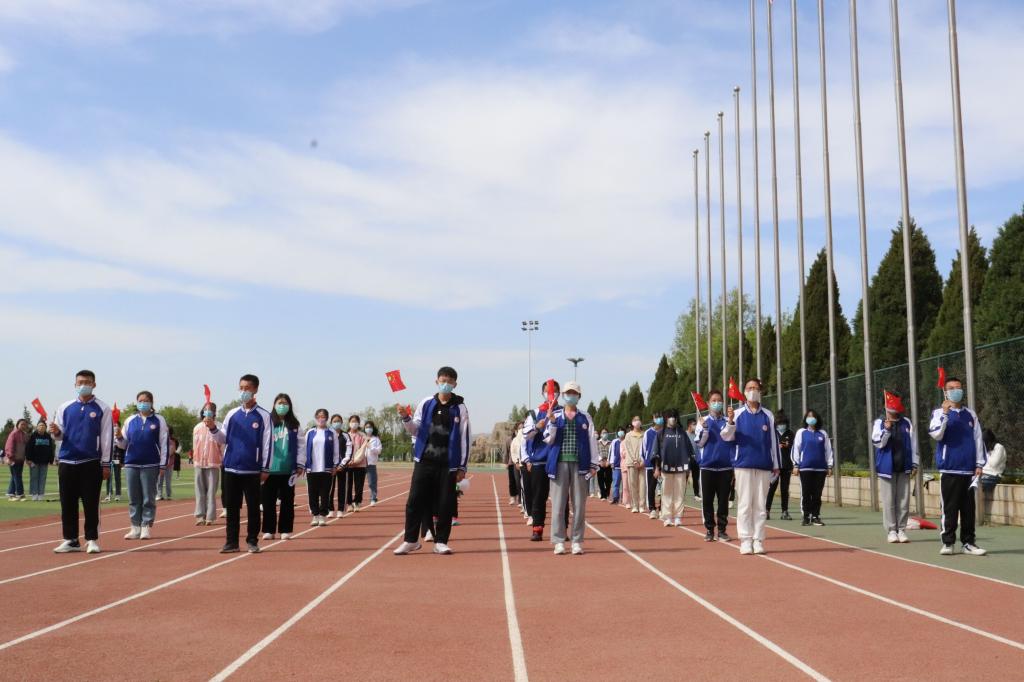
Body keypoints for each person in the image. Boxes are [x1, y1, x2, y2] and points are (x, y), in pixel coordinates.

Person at [393, 366, 470, 556]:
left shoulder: (460, 408)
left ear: (455, 384)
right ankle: (411, 540)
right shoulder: (426, 403)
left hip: (448, 464)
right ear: (437, 381)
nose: (446, 384)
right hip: (424, 461)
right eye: (443, 381)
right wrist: (405, 417)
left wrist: (462, 467)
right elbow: (415, 430)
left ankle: (441, 541)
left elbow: (464, 437)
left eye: (449, 382)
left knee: (445, 503)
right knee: (414, 500)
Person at [208, 374, 272, 554]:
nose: (243, 391)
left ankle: (252, 541)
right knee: (232, 508)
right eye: (241, 388)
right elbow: (222, 438)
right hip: (231, 468)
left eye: (247, 388)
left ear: (255, 390)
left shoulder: (264, 416)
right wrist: (212, 428)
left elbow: (268, 444)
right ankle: (231, 542)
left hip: (252, 469)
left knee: (253, 508)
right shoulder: (232, 414)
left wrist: (265, 468)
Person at [50, 369, 113, 554]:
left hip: (91, 461)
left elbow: (107, 438)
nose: (83, 385)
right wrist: (56, 432)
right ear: (75, 385)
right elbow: (59, 435)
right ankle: (71, 540)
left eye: (87, 382)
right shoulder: (65, 407)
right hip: (67, 461)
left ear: (94, 384)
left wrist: (106, 463)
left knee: (91, 503)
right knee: (67, 503)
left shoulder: (103, 408)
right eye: (80, 382)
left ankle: (91, 539)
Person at [721, 378, 780, 555]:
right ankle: (745, 540)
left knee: (760, 505)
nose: (752, 390)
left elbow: (773, 442)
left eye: (755, 388)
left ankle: (758, 540)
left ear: (760, 391)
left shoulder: (768, 415)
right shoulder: (737, 414)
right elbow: (726, 436)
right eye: (749, 388)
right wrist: (730, 421)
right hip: (743, 465)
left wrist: (776, 464)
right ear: (744, 392)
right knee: (745, 504)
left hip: (763, 465)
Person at [929, 376, 987, 556]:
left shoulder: (970, 414)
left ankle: (968, 543)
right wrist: (945, 414)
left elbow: (978, 439)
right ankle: (948, 543)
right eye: (952, 388)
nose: (956, 391)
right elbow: (936, 434)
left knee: (968, 509)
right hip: (949, 469)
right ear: (946, 392)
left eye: (959, 387)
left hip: (969, 470)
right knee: (950, 509)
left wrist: (979, 463)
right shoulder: (938, 413)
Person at [540, 381, 598, 556]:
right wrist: (552, 422)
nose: (571, 396)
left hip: (581, 464)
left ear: (579, 396)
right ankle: (558, 541)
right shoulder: (555, 415)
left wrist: (594, 463)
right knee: (558, 505)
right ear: (563, 395)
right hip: (559, 464)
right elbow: (548, 439)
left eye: (574, 393)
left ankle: (577, 541)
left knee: (579, 505)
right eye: (568, 393)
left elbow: (592, 440)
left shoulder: (585, 417)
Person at [116, 391, 169, 540]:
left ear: (151, 402)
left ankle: (146, 526)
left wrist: (163, 465)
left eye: (146, 400)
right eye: (140, 400)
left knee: (148, 498)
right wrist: (119, 437)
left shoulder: (159, 420)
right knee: (133, 497)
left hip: (151, 464)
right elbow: (123, 445)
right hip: (131, 463)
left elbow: (164, 443)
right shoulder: (130, 420)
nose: (143, 403)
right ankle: (135, 527)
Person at [871, 393, 918, 543]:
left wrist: (915, 463)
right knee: (889, 501)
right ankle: (891, 530)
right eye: (890, 406)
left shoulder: (907, 422)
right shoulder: (879, 422)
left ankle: (901, 530)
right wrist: (886, 430)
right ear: (886, 407)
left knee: (903, 501)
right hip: (886, 468)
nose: (893, 410)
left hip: (904, 466)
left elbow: (914, 444)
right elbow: (878, 443)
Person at [521, 380, 560, 541]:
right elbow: (525, 435)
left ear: (559, 394)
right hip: (539, 462)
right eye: (547, 391)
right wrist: (537, 426)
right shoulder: (534, 413)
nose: (551, 394)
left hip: (558, 460)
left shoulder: (563, 412)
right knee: (538, 497)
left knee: (561, 498)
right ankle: (537, 528)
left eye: (554, 391)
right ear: (542, 393)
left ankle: (562, 529)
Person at [298, 408, 347, 526]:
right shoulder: (310, 432)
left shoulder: (332, 433)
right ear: (316, 418)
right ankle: (315, 515)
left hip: (327, 468)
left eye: (323, 416)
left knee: (325, 494)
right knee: (312, 494)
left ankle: (322, 515)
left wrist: (335, 465)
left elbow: (336, 451)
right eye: (319, 416)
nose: (321, 419)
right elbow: (304, 449)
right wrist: (303, 464)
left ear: (327, 418)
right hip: (311, 469)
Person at [695, 391, 733, 542]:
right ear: (708, 403)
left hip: (725, 467)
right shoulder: (702, 421)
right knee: (707, 501)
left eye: (719, 400)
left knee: (723, 501)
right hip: (707, 467)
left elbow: (732, 439)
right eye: (714, 400)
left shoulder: (728, 420)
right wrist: (705, 429)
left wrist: (731, 422)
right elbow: (699, 443)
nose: (717, 403)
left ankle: (722, 530)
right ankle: (710, 530)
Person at [261, 394, 300, 541]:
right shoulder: (268, 422)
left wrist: (300, 464)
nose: (282, 406)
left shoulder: (294, 425)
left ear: (289, 406)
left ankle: (285, 529)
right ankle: (268, 530)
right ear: (274, 405)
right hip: (269, 470)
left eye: (285, 403)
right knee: (268, 502)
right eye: (279, 403)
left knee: (288, 502)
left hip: (288, 470)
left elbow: (301, 446)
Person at [651, 408, 694, 527]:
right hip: (666, 468)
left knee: (679, 492)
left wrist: (689, 469)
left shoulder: (682, 433)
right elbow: (656, 452)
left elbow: (689, 450)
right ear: (666, 418)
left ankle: (678, 517)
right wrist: (656, 468)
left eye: (674, 416)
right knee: (666, 493)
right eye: (670, 416)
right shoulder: (661, 433)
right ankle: (668, 517)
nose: (672, 418)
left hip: (681, 468)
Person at [791, 409, 833, 527]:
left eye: (813, 416)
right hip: (805, 468)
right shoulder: (801, 432)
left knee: (817, 494)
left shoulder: (823, 434)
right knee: (806, 493)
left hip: (820, 469)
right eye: (809, 416)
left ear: (817, 419)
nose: (811, 418)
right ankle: (806, 517)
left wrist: (829, 466)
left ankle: (815, 516)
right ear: (805, 419)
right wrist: (796, 464)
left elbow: (828, 450)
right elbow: (796, 449)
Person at [192, 402, 224, 525]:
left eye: (210, 410)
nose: (207, 412)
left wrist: (222, 459)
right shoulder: (197, 427)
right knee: (199, 491)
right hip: (199, 462)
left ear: (214, 412)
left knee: (211, 492)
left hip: (213, 463)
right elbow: (195, 445)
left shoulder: (219, 426)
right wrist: (195, 459)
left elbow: (222, 445)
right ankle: (200, 516)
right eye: (205, 409)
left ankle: (210, 517)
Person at [766, 410, 794, 520]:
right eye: (779, 423)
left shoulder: (790, 433)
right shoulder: (773, 433)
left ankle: (784, 511)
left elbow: (792, 446)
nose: (782, 426)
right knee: (772, 488)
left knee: (784, 489)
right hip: (775, 466)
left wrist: (785, 445)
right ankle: (766, 510)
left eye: (784, 423)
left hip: (787, 465)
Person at [980, 429, 1006, 526]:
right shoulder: (989, 450)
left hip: (994, 475)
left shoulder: (999, 447)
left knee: (976, 486)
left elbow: (993, 464)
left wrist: (987, 454)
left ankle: (979, 517)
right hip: (984, 474)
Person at [25, 420, 55, 501]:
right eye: (40, 425)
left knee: (42, 478)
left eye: (43, 425)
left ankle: (41, 494)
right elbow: (28, 448)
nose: (42, 427)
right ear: (37, 427)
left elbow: (51, 449)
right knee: (34, 477)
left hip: (44, 461)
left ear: (46, 427)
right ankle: (34, 494)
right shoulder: (33, 436)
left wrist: (51, 460)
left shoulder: (48, 437)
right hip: (34, 461)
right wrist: (28, 459)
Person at [642, 412, 664, 519]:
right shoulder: (648, 433)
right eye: (657, 417)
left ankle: (662, 508)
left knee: (664, 488)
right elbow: (644, 448)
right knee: (651, 487)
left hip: (663, 464)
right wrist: (646, 460)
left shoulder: (665, 431)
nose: (659, 419)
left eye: (660, 417)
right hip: (650, 465)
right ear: (653, 419)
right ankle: (652, 509)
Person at [622, 416, 647, 513]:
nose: (637, 422)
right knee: (633, 484)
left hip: (642, 463)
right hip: (632, 463)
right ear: (632, 422)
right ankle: (635, 505)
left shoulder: (644, 434)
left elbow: (646, 448)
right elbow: (628, 449)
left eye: (639, 420)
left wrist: (643, 461)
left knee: (642, 485)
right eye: (635, 420)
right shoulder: (628, 435)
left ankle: (642, 505)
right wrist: (635, 460)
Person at [346, 415, 369, 512]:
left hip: (360, 464)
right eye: (352, 421)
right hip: (348, 464)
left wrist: (355, 461)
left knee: (359, 485)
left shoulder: (363, 436)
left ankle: (357, 502)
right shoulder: (346, 435)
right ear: (349, 423)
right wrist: (348, 461)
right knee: (348, 485)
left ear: (359, 423)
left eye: (355, 421)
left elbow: (363, 450)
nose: (354, 423)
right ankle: (349, 503)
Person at [326, 414, 348, 517]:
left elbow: (349, 451)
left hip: (342, 467)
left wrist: (342, 464)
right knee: (329, 488)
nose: (336, 423)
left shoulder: (345, 435)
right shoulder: (328, 434)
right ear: (331, 423)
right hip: (331, 466)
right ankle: (330, 509)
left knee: (342, 488)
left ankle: (340, 510)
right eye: (334, 421)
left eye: (338, 421)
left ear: (342, 422)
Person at [5, 418, 30, 501]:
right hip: (14, 459)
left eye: (25, 424)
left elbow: (27, 446)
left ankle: (11, 494)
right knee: (17, 476)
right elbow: (9, 446)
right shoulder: (14, 433)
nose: (23, 426)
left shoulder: (25, 434)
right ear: (17, 424)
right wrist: (10, 457)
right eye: (22, 424)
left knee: (14, 476)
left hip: (21, 459)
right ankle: (20, 494)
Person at [364, 420, 383, 506]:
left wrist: (370, 447)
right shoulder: (362, 438)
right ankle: (357, 500)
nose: (368, 429)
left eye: (370, 427)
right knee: (358, 483)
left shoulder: (376, 439)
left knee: (372, 482)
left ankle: (373, 498)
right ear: (364, 428)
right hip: (361, 463)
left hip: (371, 463)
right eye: (367, 427)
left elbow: (379, 451)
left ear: (373, 428)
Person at [157, 431, 177, 501]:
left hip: (169, 464)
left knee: (167, 481)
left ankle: (168, 495)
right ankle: (159, 495)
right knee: (159, 480)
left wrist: (163, 455)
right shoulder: (160, 441)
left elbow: (171, 451)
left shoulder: (171, 442)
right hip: (161, 464)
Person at [686, 417, 701, 501]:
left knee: (696, 478)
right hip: (687, 460)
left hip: (696, 460)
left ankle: (696, 494)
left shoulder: (696, 435)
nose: (695, 426)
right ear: (689, 425)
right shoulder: (684, 435)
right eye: (694, 424)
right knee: (685, 477)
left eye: (695, 424)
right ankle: (681, 494)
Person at [506, 422, 521, 506]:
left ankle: (520, 497)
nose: (521, 430)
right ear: (515, 430)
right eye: (519, 428)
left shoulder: (524, 438)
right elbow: (507, 451)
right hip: (512, 463)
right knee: (512, 481)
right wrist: (506, 462)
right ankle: (512, 496)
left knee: (519, 481)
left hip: (521, 462)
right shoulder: (509, 440)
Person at [609, 427, 625, 504]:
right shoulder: (614, 441)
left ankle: (624, 499)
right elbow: (611, 452)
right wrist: (612, 462)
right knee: (616, 483)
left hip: (625, 465)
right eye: (619, 431)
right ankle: (615, 498)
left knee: (625, 484)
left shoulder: (626, 441)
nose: (621, 432)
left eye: (622, 431)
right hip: (617, 465)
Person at [596, 428, 613, 500]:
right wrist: (600, 460)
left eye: (606, 432)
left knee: (609, 479)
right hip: (600, 463)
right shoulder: (597, 443)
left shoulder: (611, 443)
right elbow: (596, 452)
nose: (604, 434)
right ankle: (603, 495)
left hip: (608, 463)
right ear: (600, 434)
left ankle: (607, 491)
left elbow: (612, 452)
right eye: (603, 433)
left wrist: (608, 461)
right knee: (600, 479)